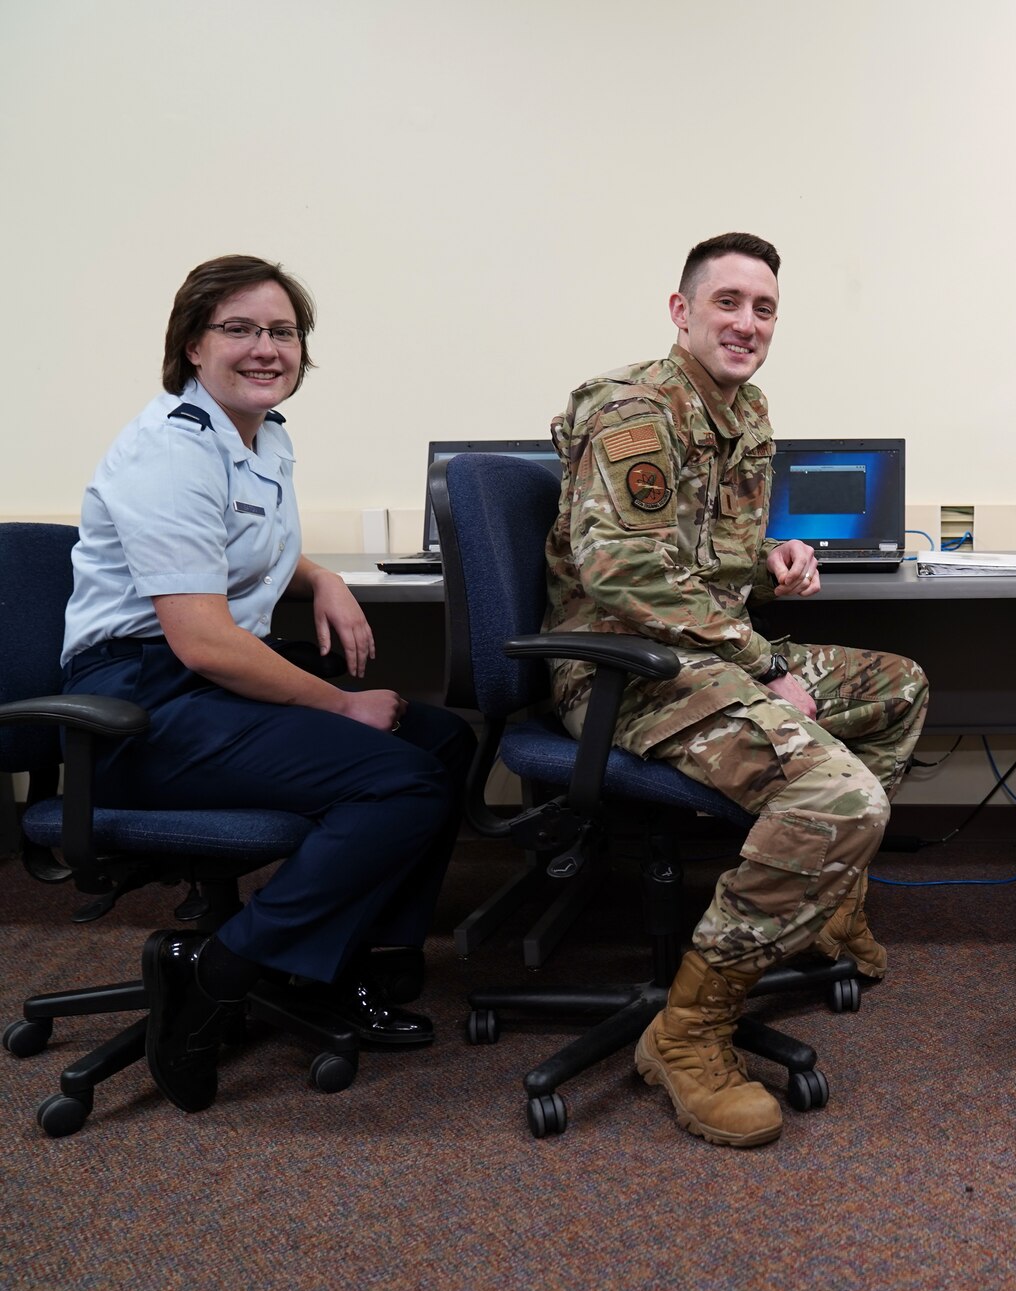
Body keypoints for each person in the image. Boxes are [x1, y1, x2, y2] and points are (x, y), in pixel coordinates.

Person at [64, 255, 476, 1114]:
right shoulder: (167, 450)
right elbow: (204, 637)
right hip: (137, 706)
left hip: (200, 687)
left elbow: (242, 548)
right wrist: (339, 703)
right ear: (190, 345)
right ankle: (218, 972)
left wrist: (318, 575)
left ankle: (352, 966)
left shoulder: (259, 434)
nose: (265, 348)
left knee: (443, 739)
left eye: (281, 331)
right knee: (398, 776)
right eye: (240, 329)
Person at [543, 232, 928, 1149]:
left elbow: (694, 555)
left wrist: (770, 558)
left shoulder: (742, 408)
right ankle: (687, 1035)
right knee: (840, 795)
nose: (747, 323)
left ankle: (821, 899)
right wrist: (765, 665)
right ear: (682, 312)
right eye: (728, 303)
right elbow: (625, 573)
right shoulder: (639, 411)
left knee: (895, 688)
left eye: (763, 309)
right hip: (622, 672)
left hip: (703, 654)